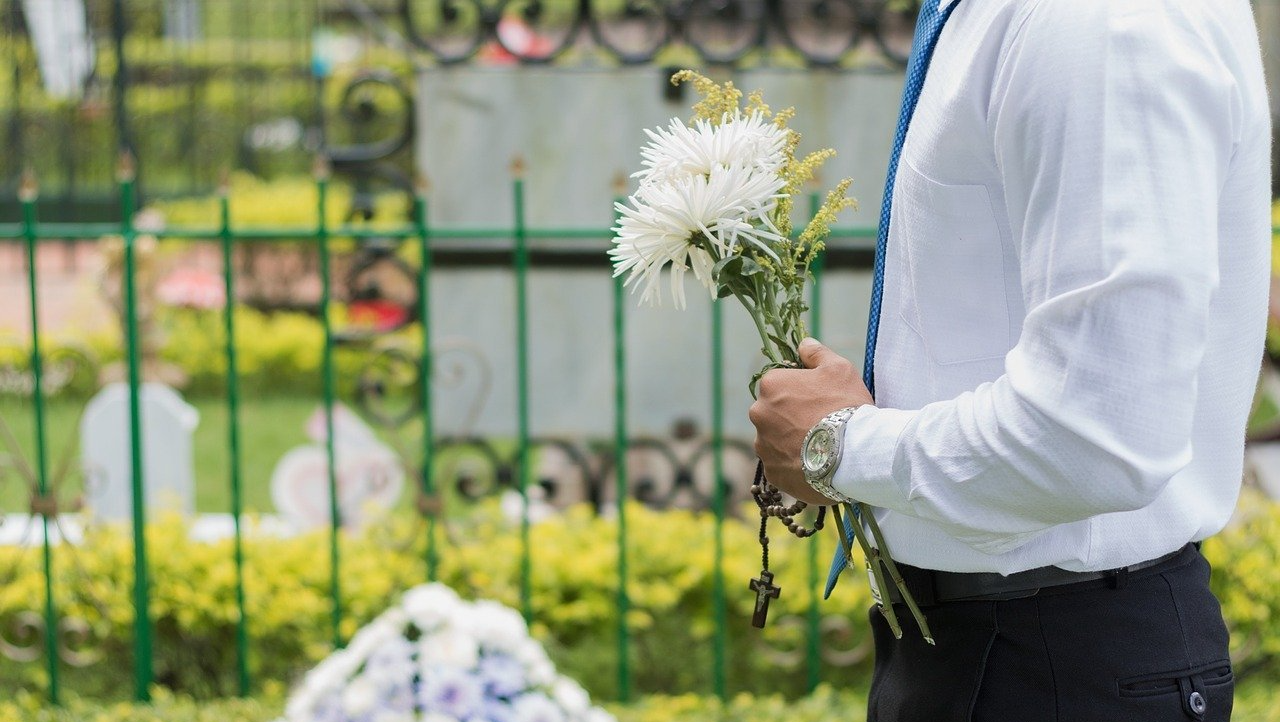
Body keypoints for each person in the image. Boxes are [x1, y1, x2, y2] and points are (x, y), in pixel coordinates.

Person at [746, 0, 1271, 720]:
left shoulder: (1100, 23)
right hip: (999, 648)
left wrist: (841, 445)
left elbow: (1095, 436)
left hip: (1055, 660)